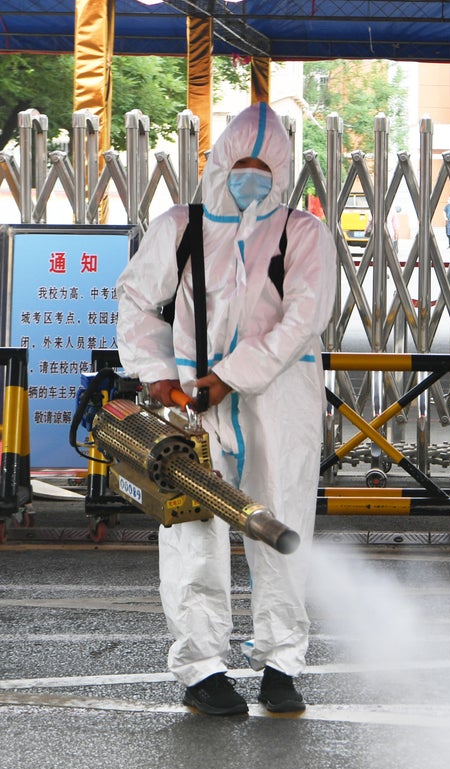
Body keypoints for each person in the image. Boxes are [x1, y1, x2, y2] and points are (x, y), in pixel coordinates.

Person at [115, 103, 337, 715]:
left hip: (278, 405)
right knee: (193, 531)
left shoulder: (303, 233)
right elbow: (136, 300)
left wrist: (229, 378)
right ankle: (202, 667)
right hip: (192, 409)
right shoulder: (181, 227)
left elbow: (303, 319)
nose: (251, 177)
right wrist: (161, 376)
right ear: (219, 164)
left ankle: (282, 662)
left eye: (263, 168)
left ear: (284, 171)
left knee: (282, 525)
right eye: (240, 164)